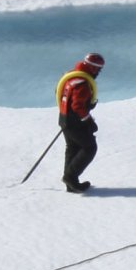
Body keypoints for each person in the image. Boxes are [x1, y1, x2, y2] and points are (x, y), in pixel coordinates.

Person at [56, 52, 104, 193]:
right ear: (93, 68)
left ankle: (71, 183)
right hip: (75, 122)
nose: (99, 72)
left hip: (64, 118)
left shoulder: (71, 76)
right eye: (99, 69)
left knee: (73, 148)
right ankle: (70, 178)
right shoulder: (82, 84)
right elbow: (78, 106)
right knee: (89, 148)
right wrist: (88, 120)